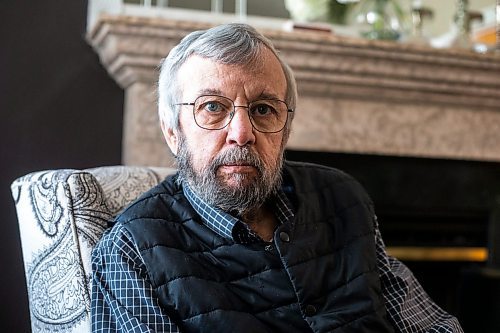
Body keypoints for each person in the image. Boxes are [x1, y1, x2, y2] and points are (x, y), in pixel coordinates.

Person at [91, 23, 463, 333]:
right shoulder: (131, 249)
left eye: (263, 109)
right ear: (173, 131)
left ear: (284, 131)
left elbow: (431, 325)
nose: (241, 131)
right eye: (213, 107)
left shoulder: (342, 196)